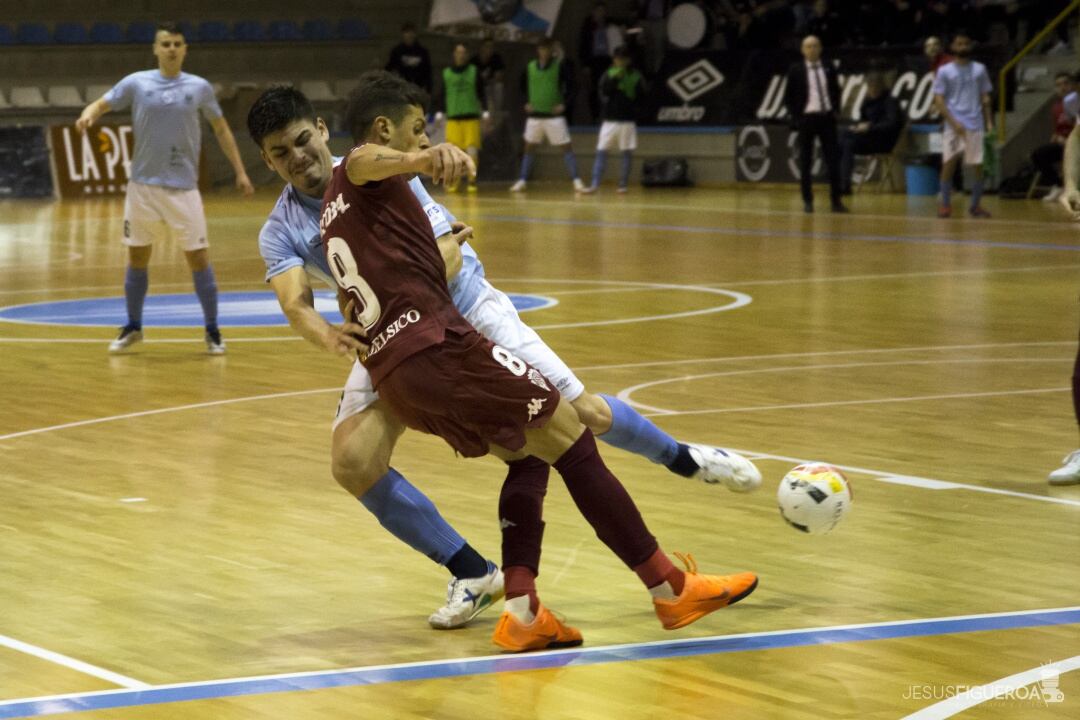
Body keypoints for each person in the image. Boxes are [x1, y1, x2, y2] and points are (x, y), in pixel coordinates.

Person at [246, 78, 761, 629]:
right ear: (267, 161)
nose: (298, 158)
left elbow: (446, 254)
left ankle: (682, 459)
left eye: (303, 140)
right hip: (405, 336)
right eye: (281, 153)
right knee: (357, 462)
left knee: (576, 420)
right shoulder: (288, 223)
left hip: (457, 313)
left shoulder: (373, 165)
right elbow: (296, 303)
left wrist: (416, 167)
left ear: (324, 130)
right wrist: (328, 331)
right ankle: (487, 578)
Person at [76, 21, 253, 354]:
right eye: (166, 44)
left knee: (199, 258)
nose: (171, 49)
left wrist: (240, 171)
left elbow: (222, 130)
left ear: (185, 49)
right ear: (156, 49)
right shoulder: (137, 83)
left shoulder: (199, 87)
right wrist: (89, 114)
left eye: (177, 44)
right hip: (142, 188)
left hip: (183, 189)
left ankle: (213, 331)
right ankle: (133, 326)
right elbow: (102, 103)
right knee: (137, 257)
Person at [510, 38, 586, 193]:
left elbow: (573, 87)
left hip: (554, 117)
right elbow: (521, 86)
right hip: (535, 116)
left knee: (566, 146)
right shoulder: (530, 67)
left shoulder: (560, 67)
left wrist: (564, 104)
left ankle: (576, 180)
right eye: (542, 48)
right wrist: (526, 102)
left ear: (552, 50)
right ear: (538, 50)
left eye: (547, 48)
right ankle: (523, 179)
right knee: (529, 147)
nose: (544, 51)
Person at [932, 30, 993, 219]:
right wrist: (953, 121)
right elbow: (939, 100)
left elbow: (985, 96)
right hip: (954, 124)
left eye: (965, 44)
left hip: (975, 123)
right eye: (959, 44)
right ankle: (945, 205)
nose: (962, 47)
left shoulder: (980, 69)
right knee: (949, 164)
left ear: (971, 46)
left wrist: (989, 121)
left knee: (977, 165)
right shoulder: (944, 71)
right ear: (952, 46)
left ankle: (975, 205)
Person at [784, 35, 847, 214]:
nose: (812, 49)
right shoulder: (796, 70)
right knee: (806, 161)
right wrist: (797, 117)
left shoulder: (828, 67)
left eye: (815, 46)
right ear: (803, 50)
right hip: (807, 119)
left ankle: (836, 200)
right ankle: (808, 200)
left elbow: (836, 89)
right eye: (808, 46)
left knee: (833, 160)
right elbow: (788, 98)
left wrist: (836, 110)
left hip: (826, 118)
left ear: (820, 48)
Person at [581, 46, 645, 194]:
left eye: (623, 59)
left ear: (628, 60)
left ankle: (623, 184)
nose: (620, 62)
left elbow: (641, 97)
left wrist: (634, 111)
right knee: (601, 151)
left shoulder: (636, 76)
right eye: (617, 59)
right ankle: (595, 184)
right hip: (609, 120)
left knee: (626, 153)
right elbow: (603, 94)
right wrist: (616, 79)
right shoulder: (608, 75)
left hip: (627, 121)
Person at [434, 43, 488, 192]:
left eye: (464, 52)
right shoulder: (447, 73)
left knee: (471, 151)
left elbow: (481, 92)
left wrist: (486, 111)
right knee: (453, 153)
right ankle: (454, 181)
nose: (461, 55)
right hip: (453, 119)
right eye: (458, 52)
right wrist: (439, 110)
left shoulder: (473, 71)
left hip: (471, 118)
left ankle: (472, 180)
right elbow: (442, 94)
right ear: (454, 54)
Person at [839, 74, 903, 195]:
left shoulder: (890, 101)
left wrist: (871, 127)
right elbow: (863, 120)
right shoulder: (867, 101)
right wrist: (858, 127)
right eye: (870, 88)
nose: (872, 91)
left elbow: (892, 124)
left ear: (881, 87)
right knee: (843, 136)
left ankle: (844, 185)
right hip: (868, 137)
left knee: (846, 143)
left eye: (875, 88)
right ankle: (842, 184)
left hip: (883, 141)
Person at [1031, 72, 1075, 204]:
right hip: (1063, 146)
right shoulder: (1056, 108)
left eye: (1065, 84)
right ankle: (1058, 185)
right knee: (1038, 155)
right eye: (1059, 85)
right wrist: (1055, 137)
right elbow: (1058, 130)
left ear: (1072, 86)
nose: (1062, 88)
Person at [578, 2, 618, 123]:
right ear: (593, 12)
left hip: (606, 60)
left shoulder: (609, 24)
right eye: (599, 11)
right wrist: (585, 64)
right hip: (593, 61)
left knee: (609, 86)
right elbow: (583, 46)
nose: (601, 13)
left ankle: (608, 114)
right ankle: (595, 116)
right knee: (594, 89)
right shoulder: (587, 26)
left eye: (603, 11)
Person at [385, 22, 432, 95]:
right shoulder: (397, 51)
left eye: (412, 32)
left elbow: (428, 71)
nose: (410, 35)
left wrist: (428, 90)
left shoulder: (422, 52)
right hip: (402, 89)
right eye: (407, 32)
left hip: (418, 88)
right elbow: (390, 67)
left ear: (415, 34)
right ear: (403, 34)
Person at [471, 38, 506, 114]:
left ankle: (496, 112)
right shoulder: (474, 61)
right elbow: (472, 80)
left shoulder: (496, 58)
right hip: (477, 88)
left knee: (498, 86)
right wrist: (481, 80)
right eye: (487, 46)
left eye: (491, 47)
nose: (489, 49)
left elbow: (498, 77)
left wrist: (487, 81)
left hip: (490, 87)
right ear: (481, 47)